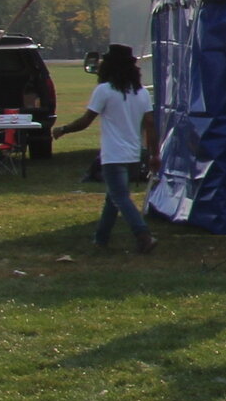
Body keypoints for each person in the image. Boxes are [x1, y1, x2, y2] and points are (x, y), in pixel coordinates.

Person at [54, 44, 158, 254]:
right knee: (113, 198)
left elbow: (85, 121)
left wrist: (63, 129)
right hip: (133, 154)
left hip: (113, 154)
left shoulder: (104, 90)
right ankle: (101, 239)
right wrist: (155, 154)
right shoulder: (140, 93)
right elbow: (150, 125)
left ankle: (142, 234)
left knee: (120, 197)